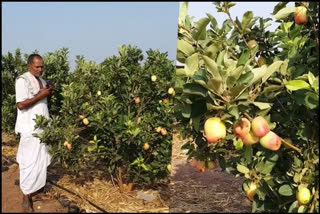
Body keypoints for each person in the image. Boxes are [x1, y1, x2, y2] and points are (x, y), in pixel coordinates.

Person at [15, 54, 54, 212]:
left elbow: (42, 100)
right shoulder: (22, 81)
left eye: (42, 66)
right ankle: (26, 196)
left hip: (42, 127)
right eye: (37, 66)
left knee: (40, 161)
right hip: (29, 128)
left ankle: (36, 189)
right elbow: (21, 105)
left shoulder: (42, 81)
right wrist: (41, 95)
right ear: (29, 65)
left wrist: (49, 92)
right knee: (29, 162)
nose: (40, 69)